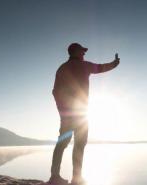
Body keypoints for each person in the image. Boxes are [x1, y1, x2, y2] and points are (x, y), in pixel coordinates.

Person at [48, 43, 120, 185]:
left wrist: (62, 111)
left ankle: (55, 177)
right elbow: (101, 67)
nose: (84, 53)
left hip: (69, 115)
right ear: (75, 52)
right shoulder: (84, 66)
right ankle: (76, 178)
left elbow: (55, 91)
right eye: (82, 51)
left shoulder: (62, 68)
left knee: (63, 144)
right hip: (80, 115)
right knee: (79, 144)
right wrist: (115, 63)